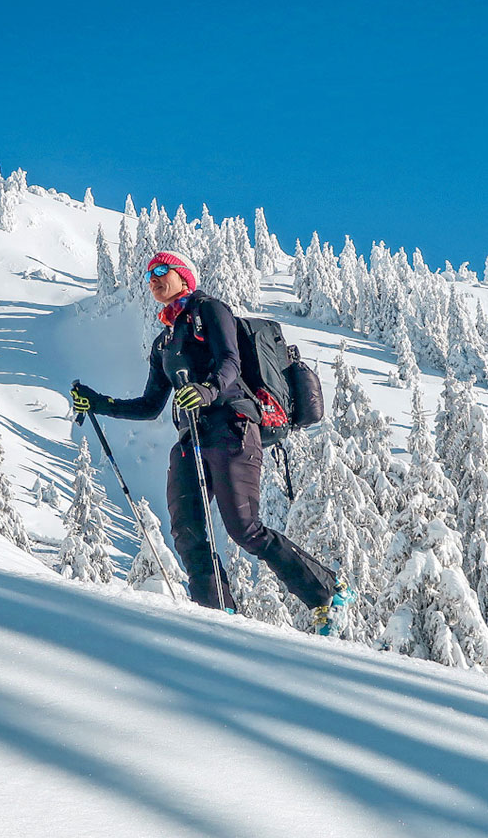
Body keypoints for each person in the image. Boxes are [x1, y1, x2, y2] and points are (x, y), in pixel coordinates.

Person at [69, 251, 349, 630]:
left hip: (231, 425)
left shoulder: (209, 311)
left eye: (162, 270)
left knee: (244, 528)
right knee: (187, 531)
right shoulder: (164, 342)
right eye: (149, 273)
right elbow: (150, 405)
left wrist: (207, 389)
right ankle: (217, 619)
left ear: (185, 277)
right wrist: (99, 402)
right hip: (190, 436)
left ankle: (327, 591)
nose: (153, 277)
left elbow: (230, 362)